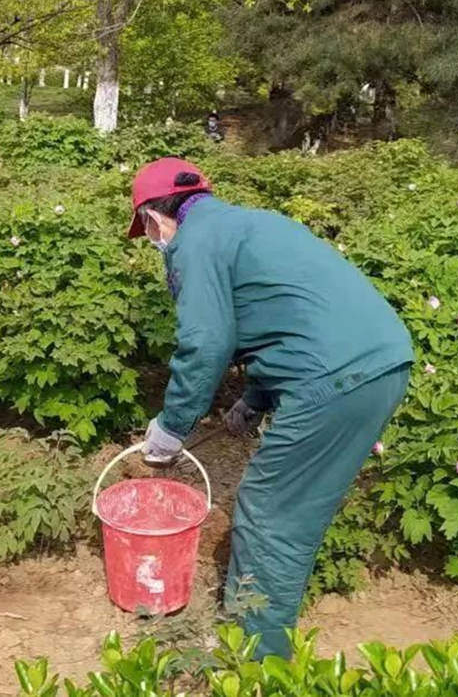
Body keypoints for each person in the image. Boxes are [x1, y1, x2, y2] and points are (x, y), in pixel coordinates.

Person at [127, 156, 413, 658]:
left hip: (336, 378)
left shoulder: (192, 244)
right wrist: (253, 402)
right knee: (292, 506)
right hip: (384, 361)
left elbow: (206, 343)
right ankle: (264, 628)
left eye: (146, 228)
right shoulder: (253, 223)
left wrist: (169, 429)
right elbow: (280, 317)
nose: (152, 239)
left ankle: (258, 658)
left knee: (270, 512)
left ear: (153, 217)